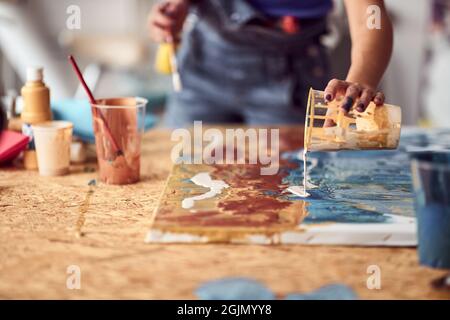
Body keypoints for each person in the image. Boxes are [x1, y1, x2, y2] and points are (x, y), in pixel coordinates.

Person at [148, 0, 393, 127]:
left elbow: (370, 13)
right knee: (185, 187)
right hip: (205, 62)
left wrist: (361, 79)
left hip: (290, 75)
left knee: (288, 194)